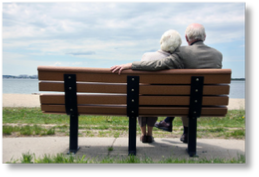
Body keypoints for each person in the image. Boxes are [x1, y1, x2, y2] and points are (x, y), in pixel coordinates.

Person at [110, 23, 222, 144]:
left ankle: (171, 124)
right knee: (190, 95)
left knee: (188, 96)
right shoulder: (218, 54)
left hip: (188, 102)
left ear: (186, 38)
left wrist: (130, 65)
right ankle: (185, 132)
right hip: (212, 103)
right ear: (204, 36)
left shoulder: (183, 52)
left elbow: (157, 65)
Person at [137, 29, 182, 143]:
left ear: (162, 41)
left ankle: (143, 134)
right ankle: (150, 133)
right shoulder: (176, 61)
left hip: (142, 100)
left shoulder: (146, 56)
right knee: (155, 98)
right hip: (163, 102)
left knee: (143, 96)